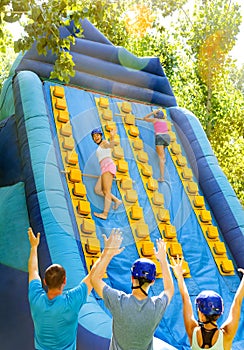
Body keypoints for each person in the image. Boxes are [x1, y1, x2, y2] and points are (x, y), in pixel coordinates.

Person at [90, 228, 174, 350]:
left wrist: (108, 252)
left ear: (132, 278)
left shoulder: (119, 301)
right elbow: (169, 289)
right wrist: (163, 260)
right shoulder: (157, 307)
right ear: (152, 281)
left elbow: (95, 279)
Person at [27, 227, 93, 350]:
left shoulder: (35, 297)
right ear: (65, 281)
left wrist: (34, 247)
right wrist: (107, 253)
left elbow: (33, 270)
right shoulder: (71, 302)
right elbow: (93, 276)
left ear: (44, 282)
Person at [172, 255, 244, 350]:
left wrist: (179, 276)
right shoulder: (226, 335)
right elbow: (237, 302)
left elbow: (186, 299)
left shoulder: (193, 331)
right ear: (219, 314)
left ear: (200, 313)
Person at [91, 127, 122, 220]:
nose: (96, 137)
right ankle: (116, 200)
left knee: (106, 191)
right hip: (104, 168)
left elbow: (111, 146)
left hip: (108, 167)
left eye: (97, 135)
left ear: (101, 135)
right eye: (94, 136)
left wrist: (112, 137)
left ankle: (105, 214)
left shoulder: (104, 142)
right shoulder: (100, 145)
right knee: (97, 190)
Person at [143, 109, 171, 182]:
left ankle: (162, 177)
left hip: (160, 137)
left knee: (161, 158)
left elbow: (144, 118)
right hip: (167, 137)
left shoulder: (155, 120)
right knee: (161, 154)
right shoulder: (165, 121)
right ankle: (162, 157)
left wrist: (152, 112)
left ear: (156, 115)